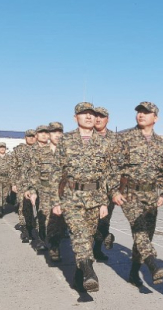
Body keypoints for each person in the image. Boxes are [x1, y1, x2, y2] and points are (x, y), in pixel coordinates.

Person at [48, 103, 110, 292]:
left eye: (91, 114)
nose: (89, 117)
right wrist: (55, 201)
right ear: (76, 118)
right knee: (78, 234)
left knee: (88, 238)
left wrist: (103, 203)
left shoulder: (104, 143)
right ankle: (89, 271)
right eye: (84, 114)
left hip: (94, 198)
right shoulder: (66, 141)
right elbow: (55, 173)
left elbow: (107, 176)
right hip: (71, 197)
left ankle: (78, 277)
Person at [109, 102, 163, 288]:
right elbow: (112, 167)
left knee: (146, 235)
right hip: (130, 193)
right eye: (139, 112)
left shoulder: (160, 143)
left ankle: (134, 272)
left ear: (155, 118)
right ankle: (153, 265)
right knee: (140, 230)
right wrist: (114, 191)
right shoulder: (124, 138)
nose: (141, 115)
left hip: (151, 194)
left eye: (146, 112)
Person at [26, 122, 67, 262]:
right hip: (45, 191)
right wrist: (32, 191)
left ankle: (55, 243)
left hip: (63, 192)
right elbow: (34, 173)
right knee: (47, 219)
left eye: (60, 132)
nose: (57, 135)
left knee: (61, 221)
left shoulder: (68, 152)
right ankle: (49, 243)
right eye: (54, 132)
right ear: (49, 135)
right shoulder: (40, 153)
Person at [92, 106, 116, 261]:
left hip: (109, 188)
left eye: (102, 116)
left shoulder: (116, 140)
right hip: (89, 188)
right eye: (96, 116)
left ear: (108, 119)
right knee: (88, 221)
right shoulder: (85, 137)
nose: (98, 119)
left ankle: (97, 248)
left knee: (104, 220)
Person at [10, 129, 37, 243]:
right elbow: (13, 167)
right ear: (25, 137)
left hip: (36, 184)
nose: (31, 138)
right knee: (23, 207)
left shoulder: (41, 150)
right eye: (29, 136)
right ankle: (25, 231)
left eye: (33, 136)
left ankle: (35, 230)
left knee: (37, 208)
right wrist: (13, 183)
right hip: (22, 183)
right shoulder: (18, 150)